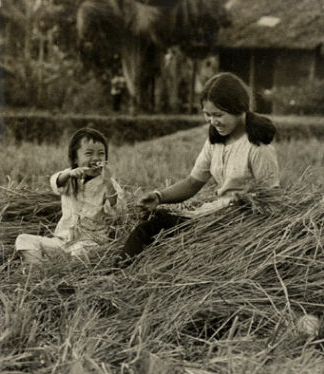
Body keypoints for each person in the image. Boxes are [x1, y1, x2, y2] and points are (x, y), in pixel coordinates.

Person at [120, 72, 280, 261]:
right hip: (213, 215)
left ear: (239, 108)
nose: (213, 122)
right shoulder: (217, 140)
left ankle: (116, 273)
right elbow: (192, 182)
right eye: (208, 115)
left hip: (233, 225)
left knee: (154, 228)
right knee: (154, 219)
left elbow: (273, 198)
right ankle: (118, 271)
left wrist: (245, 203)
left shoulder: (257, 147)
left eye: (219, 115)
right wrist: (159, 197)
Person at [15, 128, 124, 264]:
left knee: (80, 251)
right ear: (75, 159)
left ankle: (67, 271)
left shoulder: (109, 183)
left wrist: (108, 183)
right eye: (89, 153)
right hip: (62, 241)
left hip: (89, 243)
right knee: (23, 239)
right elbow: (55, 182)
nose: (96, 158)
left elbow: (115, 210)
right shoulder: (69, 177)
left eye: (101, 154)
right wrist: (69, 174)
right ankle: (39, 270)